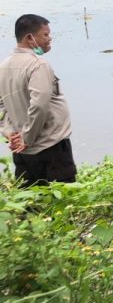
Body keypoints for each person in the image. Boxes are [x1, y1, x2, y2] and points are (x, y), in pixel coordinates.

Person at [0, 14, 77, 186]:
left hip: (22, 152)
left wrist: (9, 132)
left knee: (32, 197)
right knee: (62, 196)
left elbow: (1, 106)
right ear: (30, 38)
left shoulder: (3, 67)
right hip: (50, 148)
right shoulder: (37, 65)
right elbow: (39, 105)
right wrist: (26, 138)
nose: (49, 39)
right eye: (45, 34)